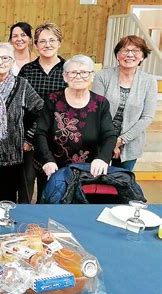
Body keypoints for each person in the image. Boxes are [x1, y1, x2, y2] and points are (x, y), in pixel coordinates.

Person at [35, 55, 118, 185]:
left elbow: (110, 134)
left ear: (92, 76)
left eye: (84, 72)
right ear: (65, 76)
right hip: (53, 168)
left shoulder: (101, 103)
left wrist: (103, 158)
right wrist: (47, 160)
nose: (78, 76)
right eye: (73, 72)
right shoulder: (52, 99)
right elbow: (40, 132)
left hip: (89, 170)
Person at [0, 43, 43, 203]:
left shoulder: (22, 85)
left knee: (8, 194)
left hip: (11, 149)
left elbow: (41, 110)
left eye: (5, 58)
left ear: (12, 62)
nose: (0, 62)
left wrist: (29, 137)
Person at [18, 22, 68, 203]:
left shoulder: (68, 70)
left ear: (59, 42)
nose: (47, 45)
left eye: (52, 40)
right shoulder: (27, 70)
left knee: (51, 185)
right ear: (36, 45)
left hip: (57, 138)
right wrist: (27, 137)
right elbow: (21, 106)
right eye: (42, 41)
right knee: (26, 182)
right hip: (29, 138)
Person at [92, 35, 157, 171]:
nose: (130, 55)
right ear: (117, 55)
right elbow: (96, 110)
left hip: (131, 143)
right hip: (99, 139)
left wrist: (120, 140)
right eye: (125, 50)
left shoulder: (149, 81)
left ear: (143, 57)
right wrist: (110, 141)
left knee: (120, 184)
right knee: (93, 182)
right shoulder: (103, 76)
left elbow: (147, 117)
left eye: (136, 51)